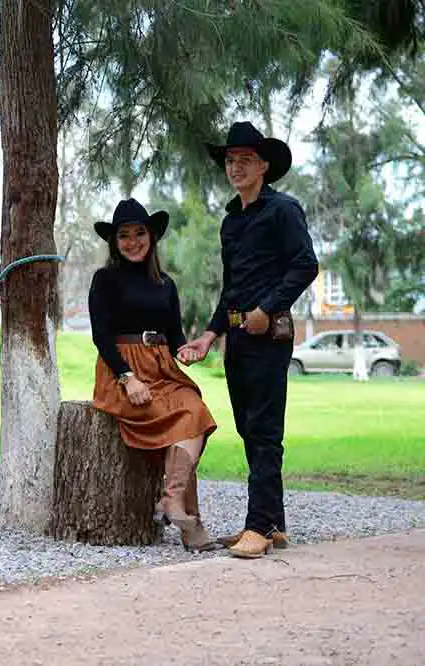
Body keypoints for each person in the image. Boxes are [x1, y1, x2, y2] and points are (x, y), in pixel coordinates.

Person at [181, 121, 319, 559]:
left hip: (269, 336)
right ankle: (273, 523)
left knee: (263, 431)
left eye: (244, 160)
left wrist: (269, 309)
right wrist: (209, 334)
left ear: (263, 165)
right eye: (230, 160)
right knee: (248, 429)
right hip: (237, 339)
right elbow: (231, 288)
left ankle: (257, 527)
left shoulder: (283, 210)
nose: (235, 167)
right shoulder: (231, 222)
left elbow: (305, 265)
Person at [88, 198, 220, 553]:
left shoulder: (166, 284)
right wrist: (127, 378)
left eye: (139, 233)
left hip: (162, 368)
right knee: (186, 421)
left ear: (151, 237)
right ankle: (190, 524)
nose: (133, 241)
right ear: (115, 242)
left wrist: (185, 352)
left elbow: (174, 334)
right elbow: (101, 335)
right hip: (123, 371)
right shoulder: (105, 280)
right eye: (124, 235)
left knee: (194, 410)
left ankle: (172, 501)